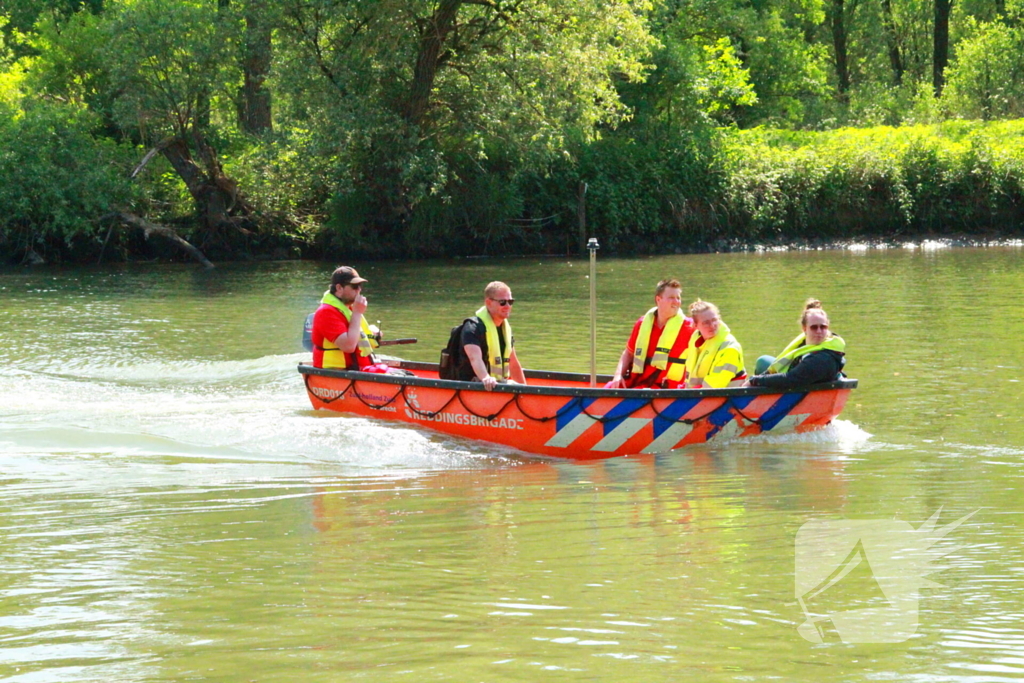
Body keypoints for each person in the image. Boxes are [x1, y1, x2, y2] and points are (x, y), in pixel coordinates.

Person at [607, 278, 695, 389]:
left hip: (667, 389)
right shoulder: (642, 323)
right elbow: (629, 353)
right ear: (658, 299)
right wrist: (618, 376)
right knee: (608, 389)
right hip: (636, 382)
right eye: (671, 298)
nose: (676, 302)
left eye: (678, 298)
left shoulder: (691, 326)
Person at [746, 299, 846, 389]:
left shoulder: (822, 359)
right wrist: (759, 378)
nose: (819, 331)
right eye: (814, 327)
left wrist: (754, 381)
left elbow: (791, 379)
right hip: (797, 378)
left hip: (795, 384)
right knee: (763, 361)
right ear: (804, 329)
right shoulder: (803, 344)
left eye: (823, 327)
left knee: (762, 369)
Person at [456, 281, 527, 391]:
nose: (507, 306)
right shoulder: (473, 327)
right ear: (489, 303)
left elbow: (513, 364)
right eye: (502, 302)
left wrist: (526, 389)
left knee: (516, 385)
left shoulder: (505, 329)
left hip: (498, 384)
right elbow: (474, 358)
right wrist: (486, 377)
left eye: (510, 302)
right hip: (474, 385)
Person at [310, 266, 379, 369]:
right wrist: (357, 313)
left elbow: (357, 337)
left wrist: (374, 335)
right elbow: (349, 346)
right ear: (339, 288)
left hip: (360, 370)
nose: (359, 289)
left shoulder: (349, 308)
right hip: (336, 373)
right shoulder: (326, 312)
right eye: (355, 286)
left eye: (360, 286)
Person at [683, 299, 746, 388]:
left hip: (728, 398)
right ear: (695, 325)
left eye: (714, 320)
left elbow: (714, 386)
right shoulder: (695, 340)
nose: (712, 325)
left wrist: (687, 394)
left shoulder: (730, 348)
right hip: (699, 396)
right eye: (706, 323)